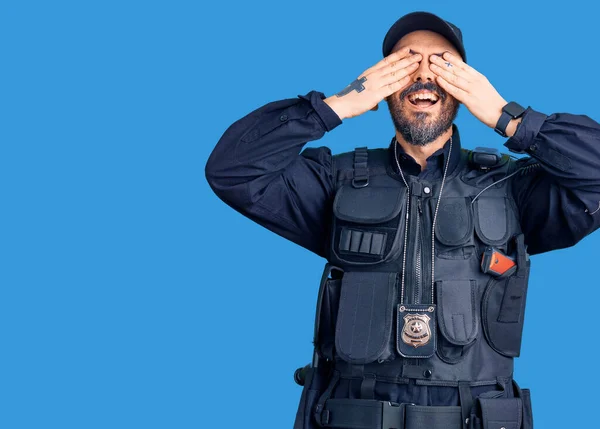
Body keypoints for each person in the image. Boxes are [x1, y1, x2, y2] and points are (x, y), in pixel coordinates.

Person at [205, 10, 600, 429]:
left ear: (465, 82)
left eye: (442, 62)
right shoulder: (335, 180)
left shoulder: (511, 185)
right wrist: (333, 107)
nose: (424, 74)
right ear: (383, 80)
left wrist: (510, 117)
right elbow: (232, 169)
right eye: (407, 60)